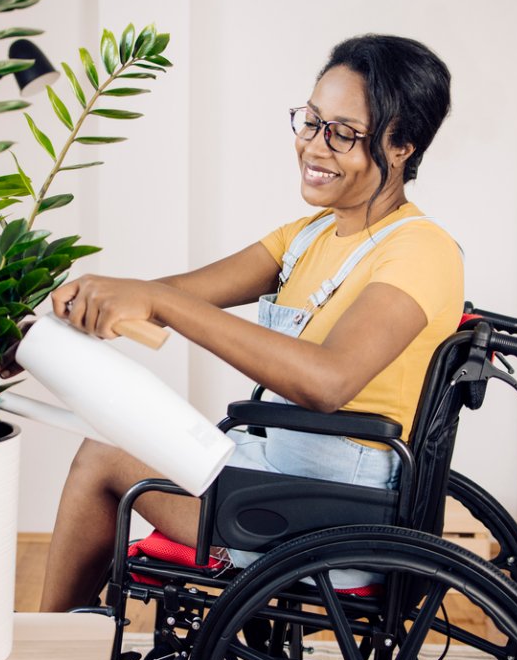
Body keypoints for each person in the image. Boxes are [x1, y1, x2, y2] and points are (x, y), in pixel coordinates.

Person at [25, 34, 464, 612]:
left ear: (403, 145)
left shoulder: (420, 251)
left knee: (105, 453)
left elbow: (326, 382)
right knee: (110, 436)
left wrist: (161, 306)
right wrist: (69, 312)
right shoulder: (308, 236)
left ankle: (51, 655)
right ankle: (58, 650)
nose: (314, 145)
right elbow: (170, 293)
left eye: (343, 133)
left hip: (340, 508)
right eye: (310, 121)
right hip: (284, 469)